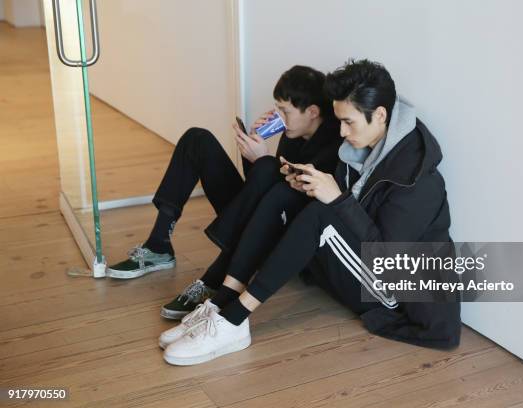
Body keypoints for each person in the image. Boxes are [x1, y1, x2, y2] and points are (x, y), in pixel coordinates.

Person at [159, 59, 462, 367]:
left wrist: (338, 199)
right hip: (363, 264)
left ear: (380, 115)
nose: (341, 131)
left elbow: (386, 255)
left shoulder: (417, 178)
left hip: (398, 294)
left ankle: (235, 321)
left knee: (321, 215)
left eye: (349, 122)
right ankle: (223, 299)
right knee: (286, 194)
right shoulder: (365, 147)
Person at [107, 65, 342, 321]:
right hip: (256, 220)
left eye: (284, 110)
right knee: (197, 139)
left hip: (287, 237)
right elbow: (260, 189)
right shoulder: (292, 134)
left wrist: (263, 162)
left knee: (267, 167)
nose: (279, 116)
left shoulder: (335, 145)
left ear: (312, 112)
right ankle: (158, 244)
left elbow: (290, 202)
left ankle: (215, 278)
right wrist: (252, 153)